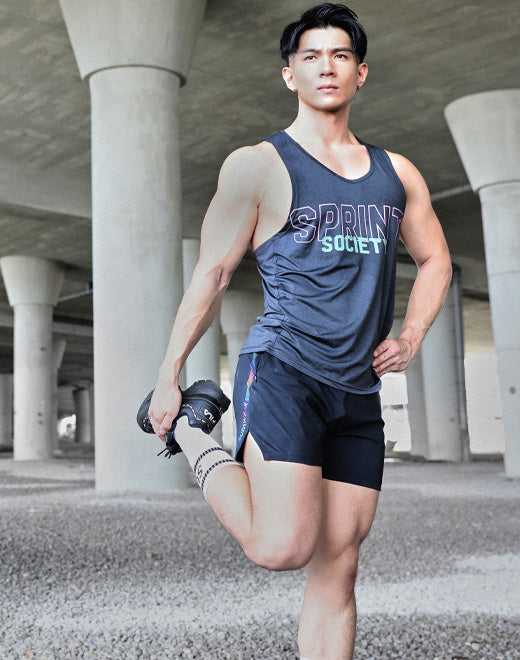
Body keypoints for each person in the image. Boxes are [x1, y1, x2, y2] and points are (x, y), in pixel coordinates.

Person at [143, 4, 452, 658]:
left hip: (358, 390)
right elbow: (213, 273)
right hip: (285, 370)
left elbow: (436, 260)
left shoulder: (396, 174)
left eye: (340, 55)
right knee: (280, 546)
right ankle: (196, 432)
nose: (326, 67)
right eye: (311, 57)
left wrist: (413, 335)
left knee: (339, 563)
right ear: (290, 75)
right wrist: (169, 375)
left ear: (361, 72)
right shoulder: (256, 166)